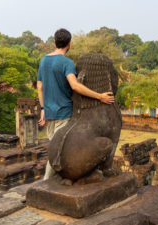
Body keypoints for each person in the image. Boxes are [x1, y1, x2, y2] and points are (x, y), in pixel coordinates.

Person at [37, 28, 114, 180]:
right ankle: (45, 183)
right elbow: (75, 85)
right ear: (69, 44)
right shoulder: (67, 62)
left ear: (55, 42)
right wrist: (100, 96)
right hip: (64, 112)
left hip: (50, 113)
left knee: (55, 147)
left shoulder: (44, 60)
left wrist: (42, 108)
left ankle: (50, 181)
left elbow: (40, 86)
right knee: (57, 151)